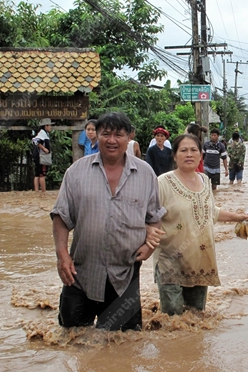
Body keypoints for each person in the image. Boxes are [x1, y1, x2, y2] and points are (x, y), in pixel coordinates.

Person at [50, 112, 166, 331]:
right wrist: (62, 255)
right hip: (80, 273)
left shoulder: (145, 173)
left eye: (118, 135)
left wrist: (150, 246)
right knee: (72, 339)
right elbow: (61, 217)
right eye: (106, 134)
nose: (111, 140)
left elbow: (154, 218)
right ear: (97, 136)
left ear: (129, 137)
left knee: (124, 345)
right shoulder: (76, 172)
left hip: (125, 273)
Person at [154, 134, 248, 315]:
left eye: (193, 150)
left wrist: (239, 217)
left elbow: (211, 212)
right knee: (173, 320)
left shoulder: (205, 180)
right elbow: (150, 217)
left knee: (195, 318)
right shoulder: (162, 183)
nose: (189, 154)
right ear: (175, 155)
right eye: (183, 150)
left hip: (200, 261)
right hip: (170, 262)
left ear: (201, 155)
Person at [32, 118, 53, 193]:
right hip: (41, 156)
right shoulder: (42, 133)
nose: (50, 127)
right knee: (42, 174)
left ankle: (37, 190)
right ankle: (43, 191)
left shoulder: (43, 133)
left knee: (37, 174)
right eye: (50, 125)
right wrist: (44, 149)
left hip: (38, 155)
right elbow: (35, 141)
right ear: (46, 126)